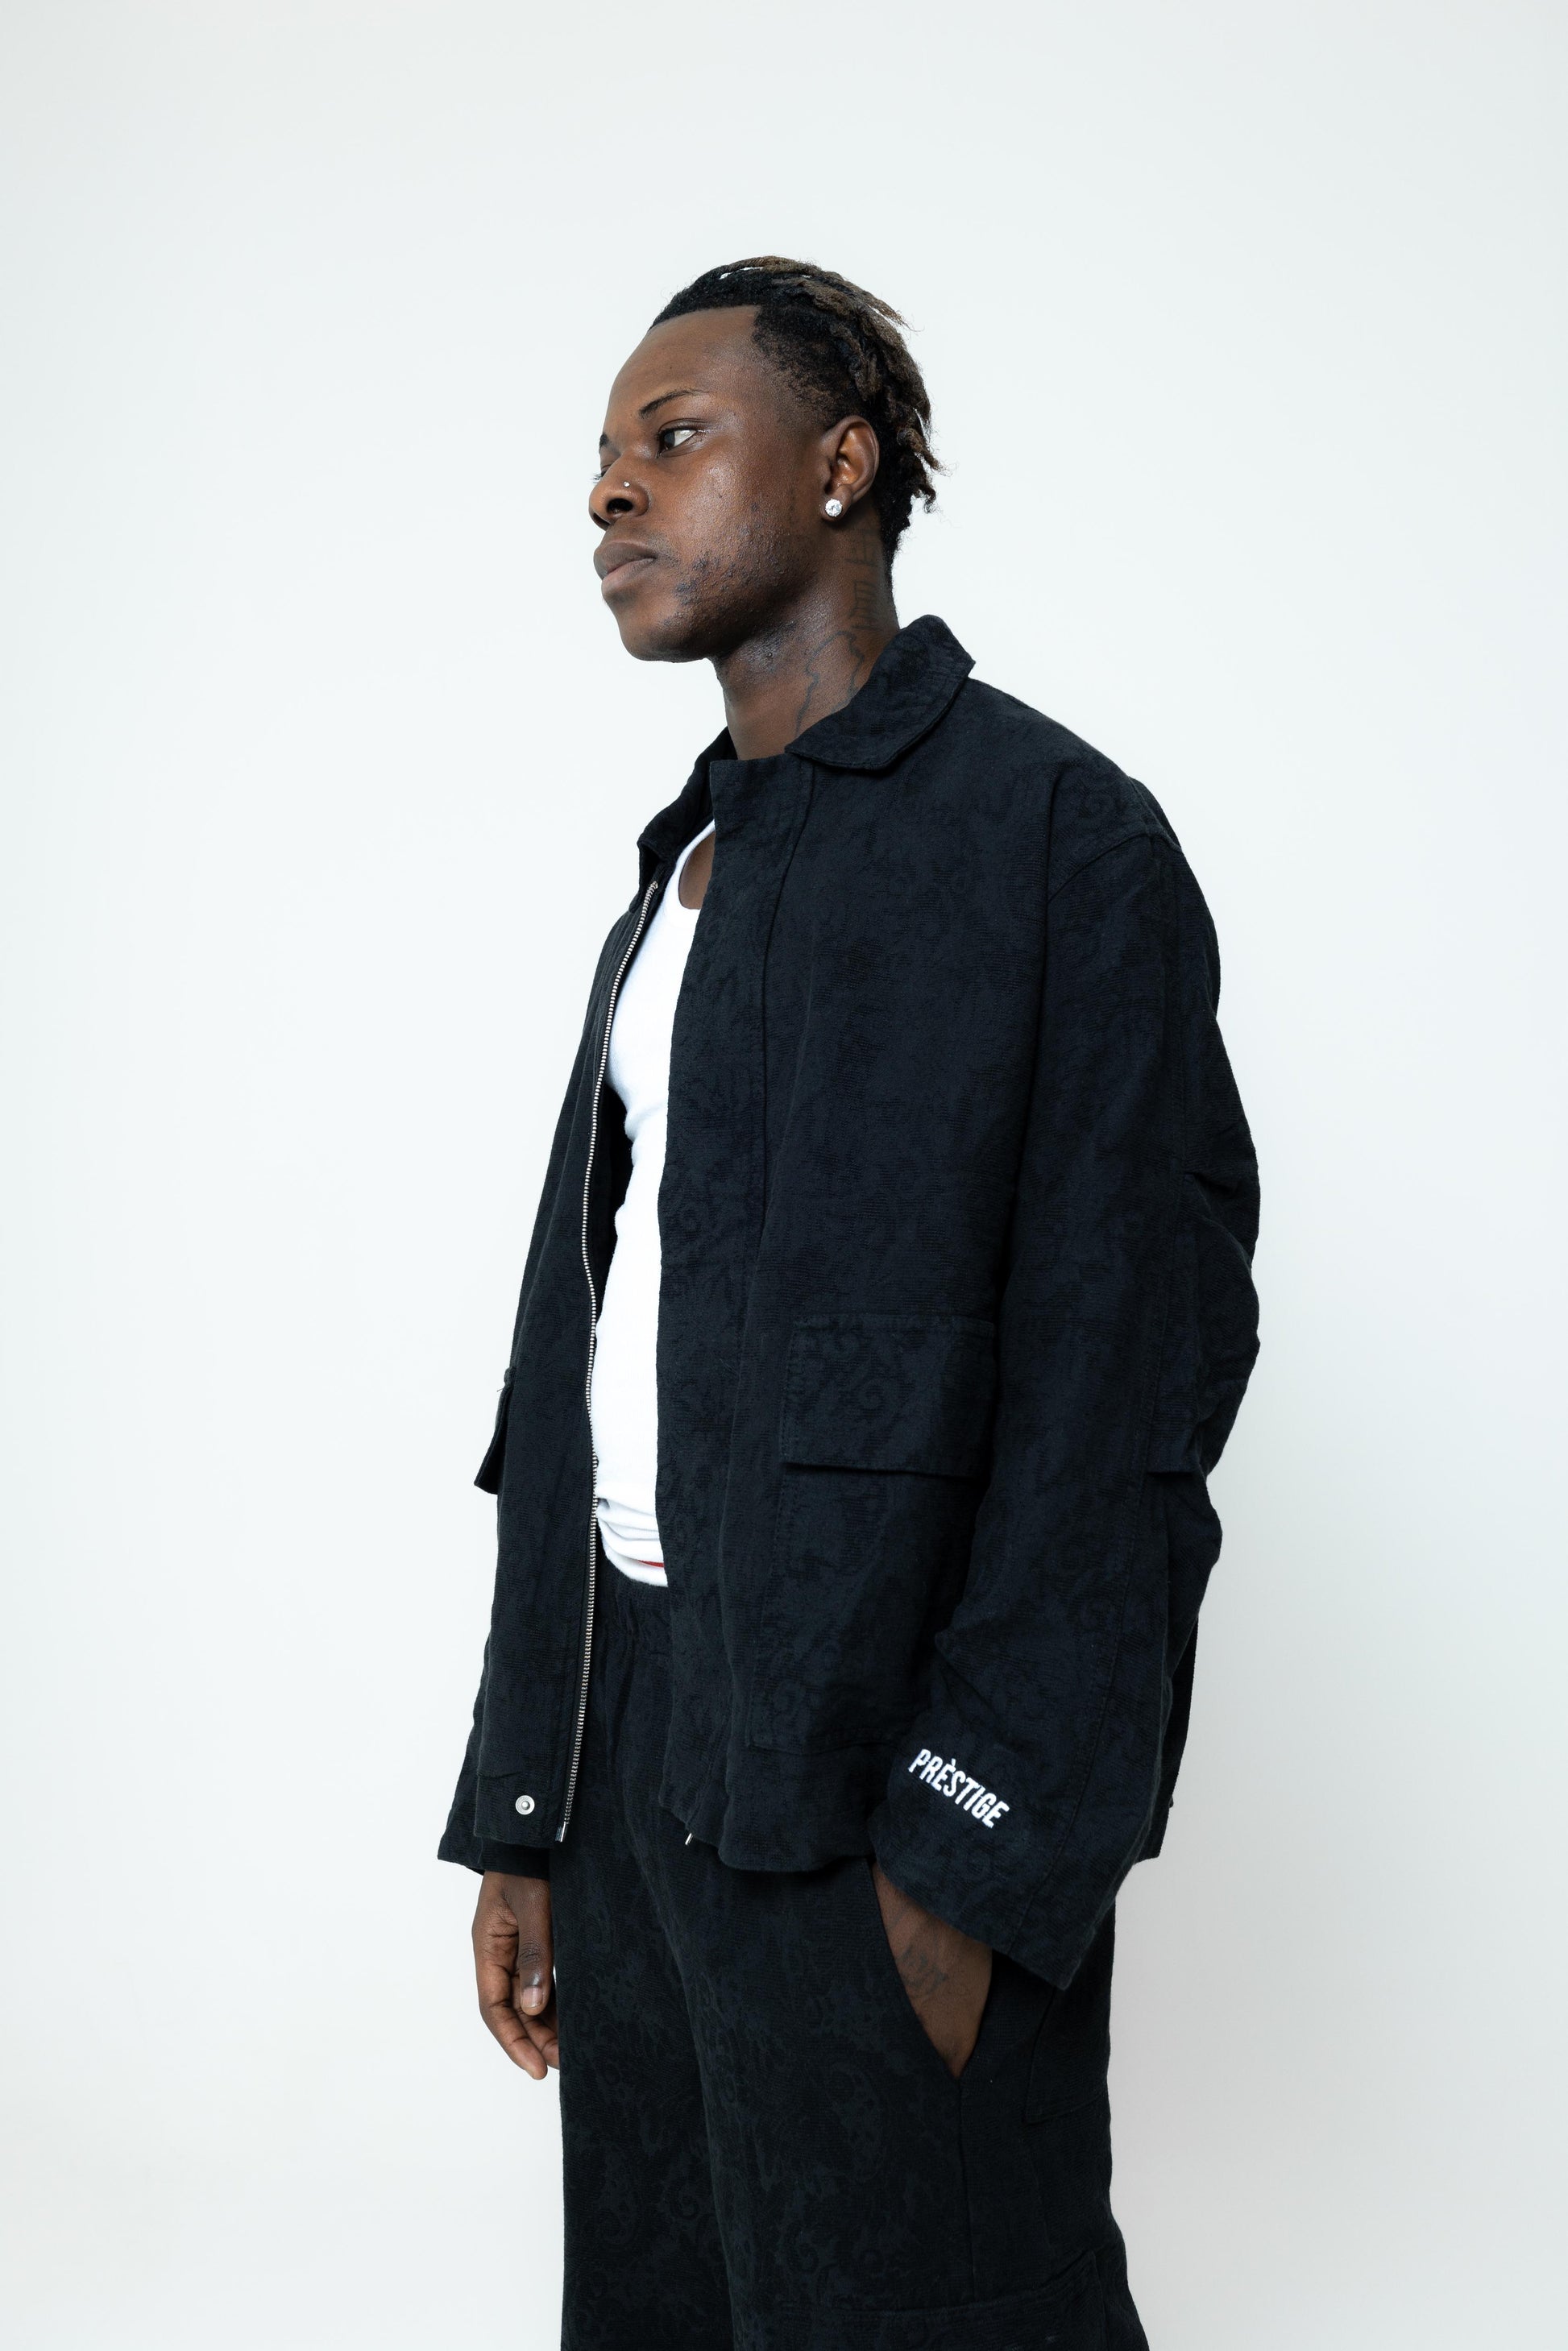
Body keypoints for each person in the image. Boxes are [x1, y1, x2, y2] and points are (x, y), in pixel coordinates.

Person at [440, 256, 1260, 2350]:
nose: (609, 493)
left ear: (840, 464)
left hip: (876, 1777)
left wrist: (976, 1843)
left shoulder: (1057, 842)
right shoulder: (674, 881)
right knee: (666, 2309)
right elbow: (576, 1370)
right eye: (600, 457)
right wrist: (529, 1808)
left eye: (670, 438)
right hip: (635, 1754)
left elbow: (1132, 1382)